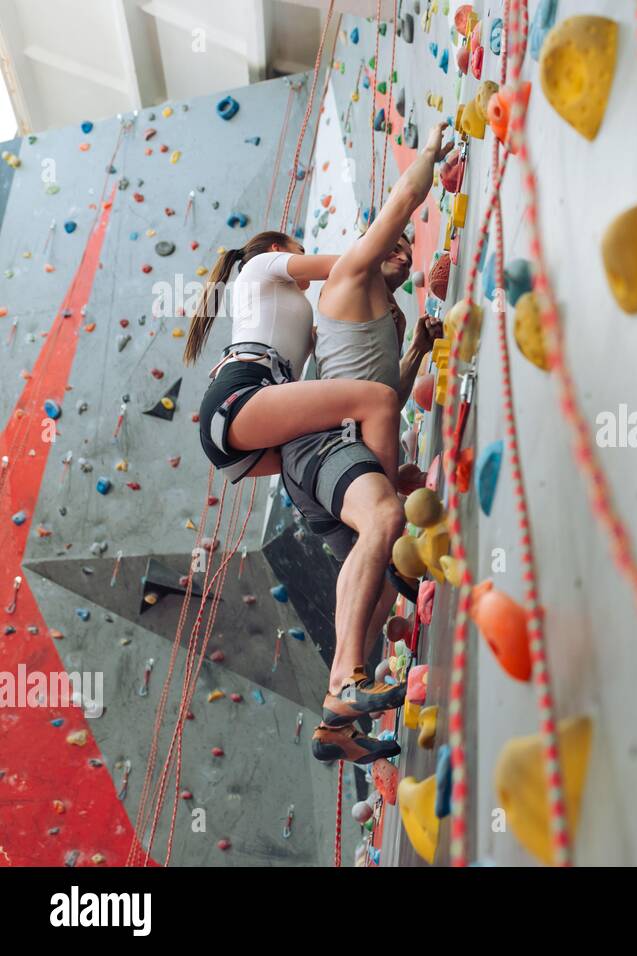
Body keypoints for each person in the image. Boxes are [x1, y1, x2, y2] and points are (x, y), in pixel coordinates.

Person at [279, 122, 453, 764]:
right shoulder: (349, 276)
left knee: (377, 583)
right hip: (324, 446)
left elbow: (387, 400)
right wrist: (433, 151)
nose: (405, 256)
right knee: (386, 517)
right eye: (398, 246)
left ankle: (336, 727)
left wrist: (417, 354)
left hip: (333, 460)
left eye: (410, 252)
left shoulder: (386, 315)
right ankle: (350, 679)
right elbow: (402, 201)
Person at [186, 232, 403, 485]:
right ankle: (389, 499)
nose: (305, 257)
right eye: (300, 250)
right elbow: (350, 265)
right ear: (276, 249)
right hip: (241, 395)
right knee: (376, 400)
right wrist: (385, 278)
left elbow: (333, 339)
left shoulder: (281, 300)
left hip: (240, 421)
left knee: (349, 440)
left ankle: (376, 505)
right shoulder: (261, 264)